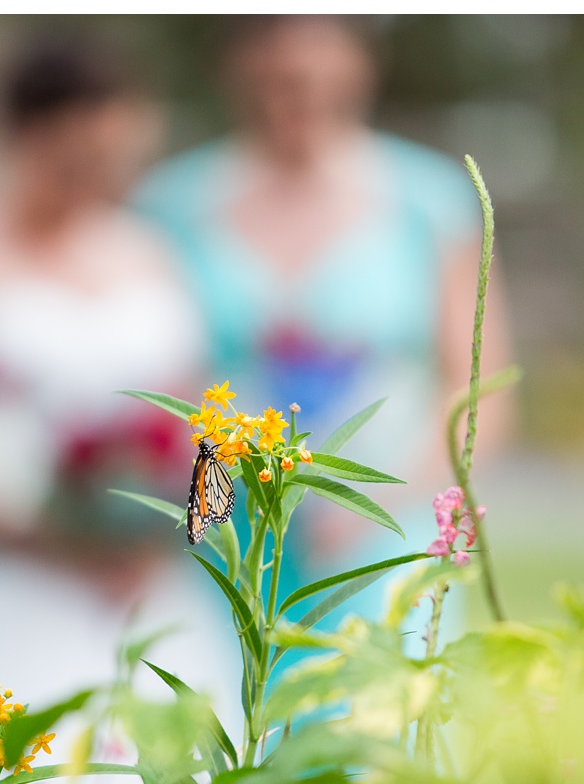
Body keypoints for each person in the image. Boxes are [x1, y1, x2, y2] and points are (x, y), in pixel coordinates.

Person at [0, 39, 223, 730]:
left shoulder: (149, 250)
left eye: (109, 160)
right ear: (17, 136)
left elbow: (204, 421)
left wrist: (179, 534)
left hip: (144, 583)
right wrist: (54, 543)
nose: (92, 180)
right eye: (73, 161)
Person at [133, 15, 509, 613]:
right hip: (221, 524)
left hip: (382, 532)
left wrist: (381, 502)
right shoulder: (169, 205)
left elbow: (480, 393)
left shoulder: (429, 201)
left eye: (312, 78)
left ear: (360, 68)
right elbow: (148, 372)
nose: (294, 100)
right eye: (275, 80)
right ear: (236, 71)